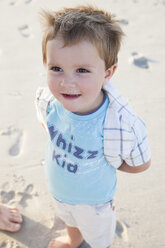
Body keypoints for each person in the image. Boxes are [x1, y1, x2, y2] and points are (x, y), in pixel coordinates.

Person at [36, 5, 151, 248]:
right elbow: (48, 128)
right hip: (59, 188)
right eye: (56, 68)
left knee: (99, 239)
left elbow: (141, 164)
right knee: (69, 219)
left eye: (82, 70)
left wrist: (112, 161)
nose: (67, 82)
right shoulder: (48, 101)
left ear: (108, 73)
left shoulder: (119, 123)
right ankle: (72, 240)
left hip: (94, 202)